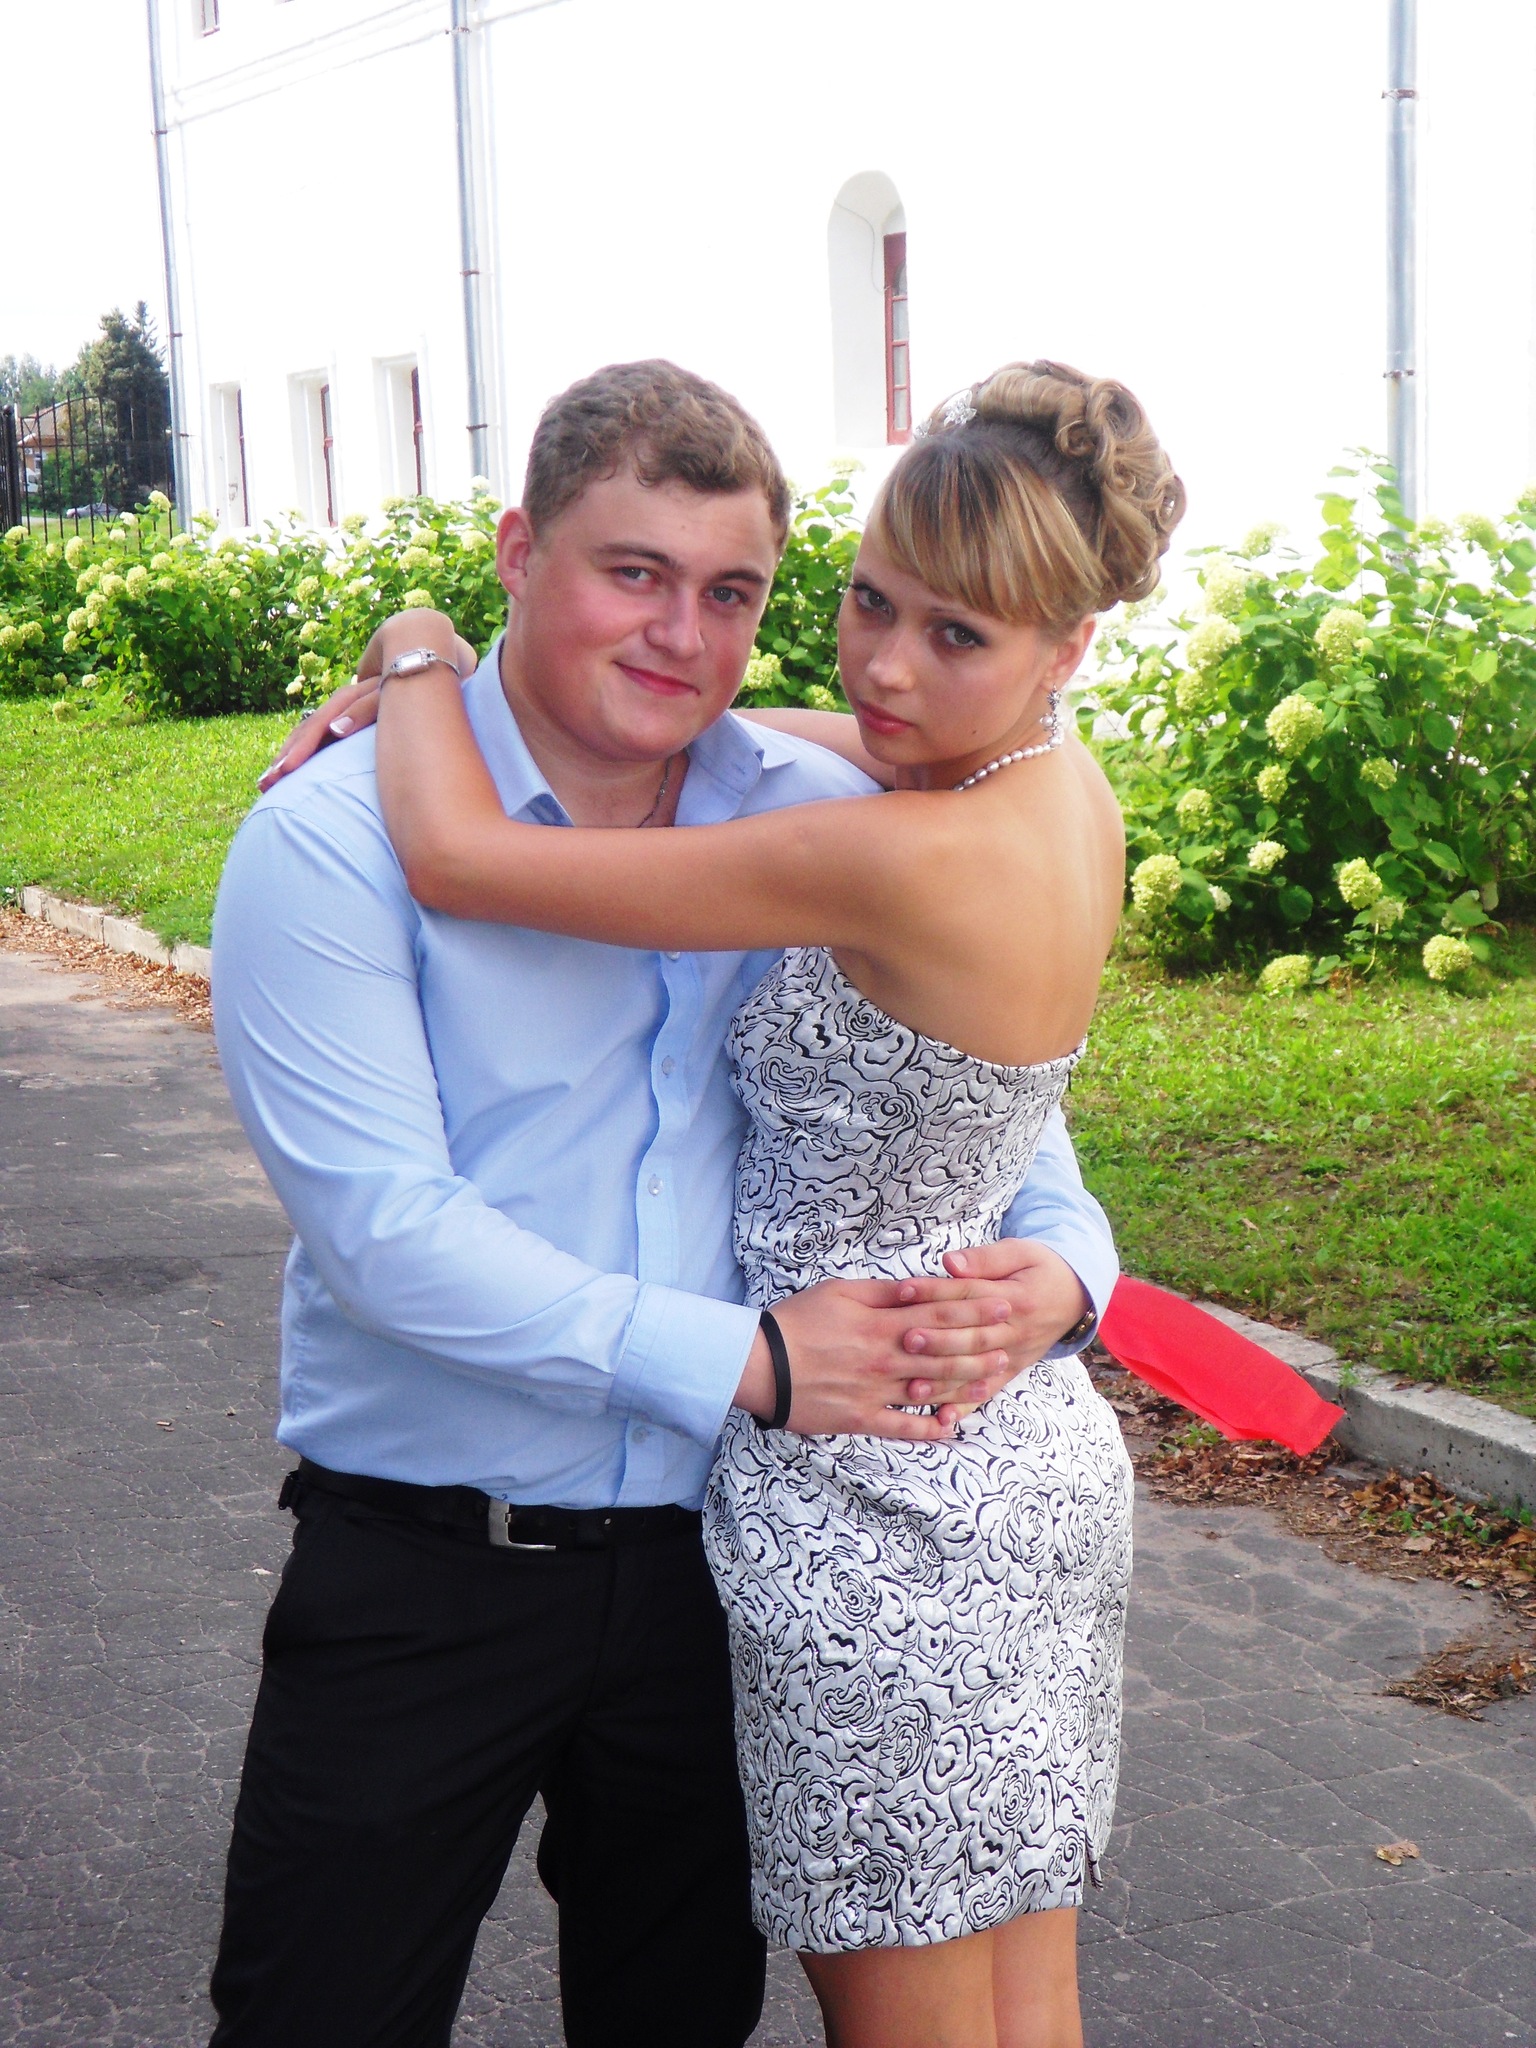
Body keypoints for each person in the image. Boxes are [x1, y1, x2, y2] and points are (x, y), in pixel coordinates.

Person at [209, 358, 1120, 2048]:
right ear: (519, 552)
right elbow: (387, 1233)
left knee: (681, 2023)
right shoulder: (332, 841)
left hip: (729, 1564)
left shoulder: (828, 814)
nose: (682, 639)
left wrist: (1069, 1271)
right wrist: (752, 1362)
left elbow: (992, 1114)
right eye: (634, 574)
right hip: (435, 1565)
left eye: (731, 595)